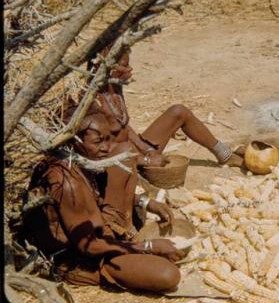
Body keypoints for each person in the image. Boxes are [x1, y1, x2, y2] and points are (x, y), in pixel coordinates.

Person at [22, 103, 185, 292]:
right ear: (74, 141)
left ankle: (126, 239)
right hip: (80, 258)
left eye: (108, 139)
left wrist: (144, 202)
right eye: (98, 141)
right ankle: (124, 251)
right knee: (168, 275)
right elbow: (88, 247)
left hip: (98, 233)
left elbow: (94, 197)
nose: (107, 148)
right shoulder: (65, 182)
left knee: (125, 150)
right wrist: (147, 246)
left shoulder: (80, 161)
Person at [88, 45, 243, 169]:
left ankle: (224, 155)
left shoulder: (114, 87)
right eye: (124, 66)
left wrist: (147, 149)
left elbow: (124, 127)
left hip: (134, 151)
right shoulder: (91, 101)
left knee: (179, 112)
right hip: (119, 164)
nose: (130, 70)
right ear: (106, 68)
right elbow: (100, 150)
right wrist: (145, 160)